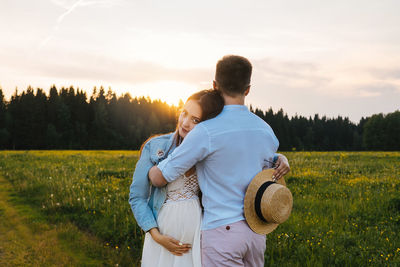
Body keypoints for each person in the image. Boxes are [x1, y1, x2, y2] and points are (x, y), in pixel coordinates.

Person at [149, 55, 289, 267]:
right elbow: (267, 168)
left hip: (221, 231)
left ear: (214, 85)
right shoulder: (266, 131)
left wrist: (149, 170)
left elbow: (161, 178)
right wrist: (281, 158)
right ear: (248, 89)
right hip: (257, 233)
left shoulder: (206, 131)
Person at [129, 89, 224, 267]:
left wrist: (277, 158)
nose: (185, 123)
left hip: (197, 237)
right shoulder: (155, 145)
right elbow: (137, 197)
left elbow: (243, 159)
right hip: (161, 239)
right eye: (184, 113)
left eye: (195, 120)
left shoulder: (209, 151)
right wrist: (156, 236)